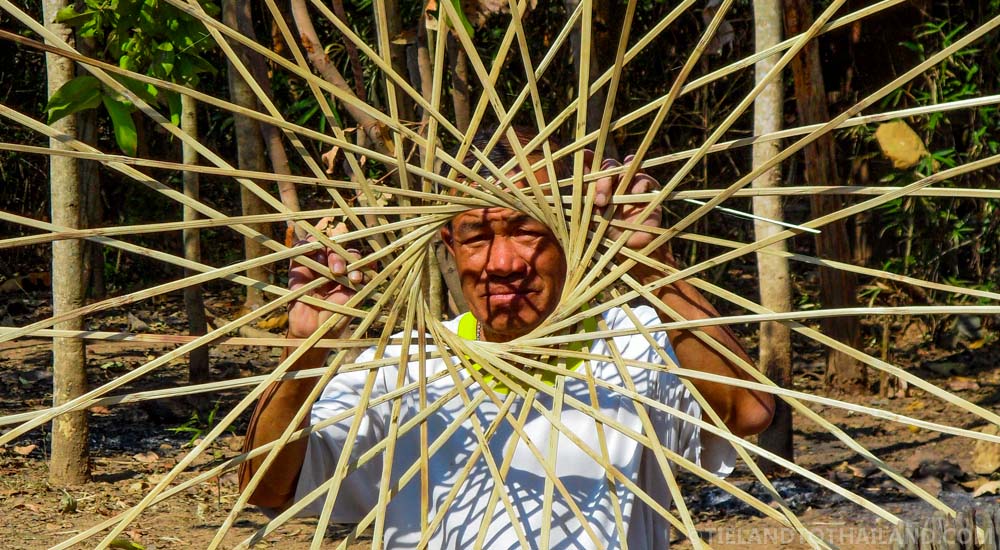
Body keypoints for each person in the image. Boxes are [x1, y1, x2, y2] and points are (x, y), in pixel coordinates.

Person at [239, 128, 775, 548]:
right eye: (476, 236)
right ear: (449, 244)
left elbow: (748, 412)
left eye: (527, 231)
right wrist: (305, 349)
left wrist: (657, 268)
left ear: (574, 232)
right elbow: (267, 487)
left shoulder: (632, 350)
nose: (503, 264)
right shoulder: (404, 371)